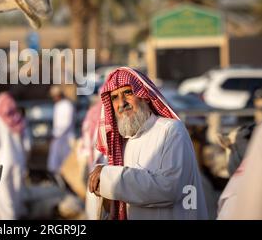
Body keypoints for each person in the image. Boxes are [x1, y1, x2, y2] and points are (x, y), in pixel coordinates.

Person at [88, 67, 208, 220]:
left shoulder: (171, 131)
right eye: (115, 97)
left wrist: (108, 177)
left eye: (127, 93)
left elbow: (169, 188)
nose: (122, 103)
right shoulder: (122, 144)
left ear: (144, 96)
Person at [0, 92, 31, 220]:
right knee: (16, 196)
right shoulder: (19, 119)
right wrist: (24, 159)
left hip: (1, 162)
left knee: (3, 198)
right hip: (19, 161)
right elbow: (28, 145)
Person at [47, 85, 76, 178]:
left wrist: (56, 134)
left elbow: (66, 123)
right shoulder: (57, 105)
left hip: (66, 138)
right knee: (55, 165)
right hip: (58, 137)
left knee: (67, 163)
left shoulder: (67, 105)